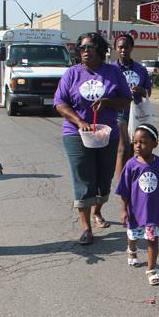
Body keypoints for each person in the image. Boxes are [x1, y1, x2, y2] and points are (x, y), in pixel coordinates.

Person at [54, 32, 133, 245]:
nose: (85, 51)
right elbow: (60, 102)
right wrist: (80, 122)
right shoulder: (71, 73)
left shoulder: (113, 72)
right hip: (76, 133)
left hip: (106, 134)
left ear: (100, 49)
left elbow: (126, 99)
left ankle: (97, 210)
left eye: (89, 47)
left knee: (104, 179)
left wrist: (107, 102)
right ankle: (86, 227)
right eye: (81, 48)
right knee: (83, 178)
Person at [115, 124, 159, 285]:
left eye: (143, 142)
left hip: (153, 212)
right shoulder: (131, 164)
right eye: (135, 142)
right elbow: (124, 190)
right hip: (135, 211)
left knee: (153, 240)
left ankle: (151, 269)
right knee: (134, 237)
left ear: (154, 144)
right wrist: (124, 210)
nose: (138, 145)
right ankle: (132, 250)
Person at [113, 33, 152, 178]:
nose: (123, 50)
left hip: (137, 113)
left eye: (126, 47)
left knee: (133, 149)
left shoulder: (140, 69)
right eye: (120, 47)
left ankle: (132, 180)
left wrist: (140, 90)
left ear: (131, 48)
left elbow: (148, 91)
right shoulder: (112, 69)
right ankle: (123, 186)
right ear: (116, 49)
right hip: (119, 113)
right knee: (123, 149)